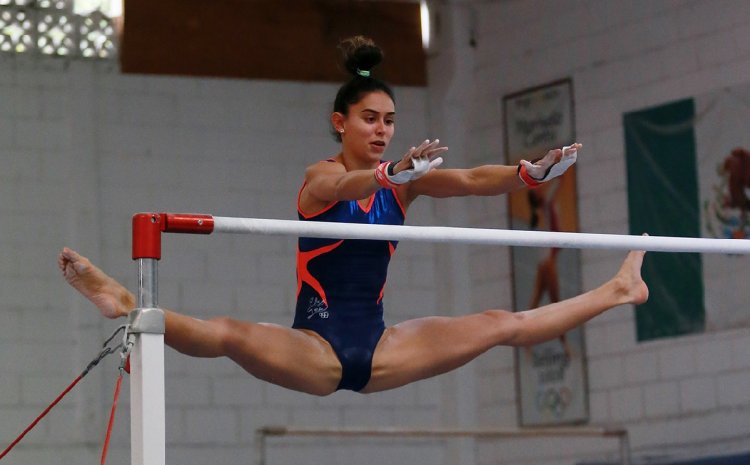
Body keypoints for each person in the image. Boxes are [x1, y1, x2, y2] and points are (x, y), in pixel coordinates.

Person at [58, 36, 648, 396]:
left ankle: (619, 288)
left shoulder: (406, 184)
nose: (383, 131)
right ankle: (130, 306)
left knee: (501, 323)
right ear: (341, 121)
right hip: (315, 346)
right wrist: (389, 176)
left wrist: (527, 174)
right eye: (370, 119)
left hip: (383, 347)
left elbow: (470, 179)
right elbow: (341, 184)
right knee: (227, 334)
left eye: (389, 121)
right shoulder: (321, 179)